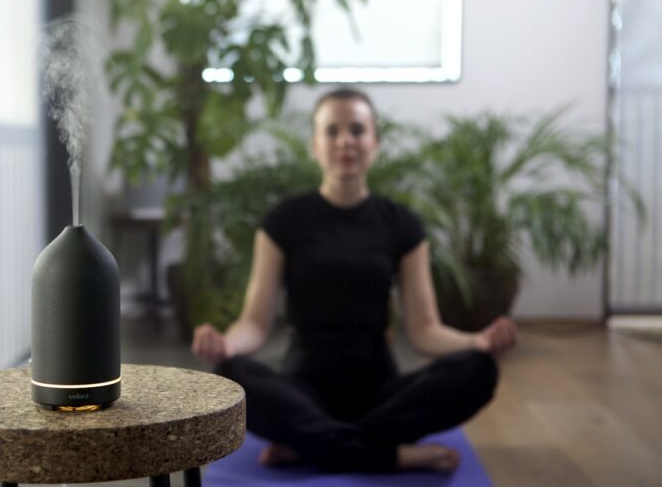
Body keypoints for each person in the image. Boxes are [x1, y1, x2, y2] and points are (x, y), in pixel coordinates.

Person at [192, 88, 517, 474]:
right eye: (332, 131)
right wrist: (225, 345)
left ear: (374, 143)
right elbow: (256, 323)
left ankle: (312, 444)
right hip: (304, 391)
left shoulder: (402, 224)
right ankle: (386, 454)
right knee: (232, 375)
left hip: (381, 395)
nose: (345, 140)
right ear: (315, 145)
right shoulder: (284, 220)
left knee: (478, 370)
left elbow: (425, 330)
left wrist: (477, 342)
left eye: (357, 130)